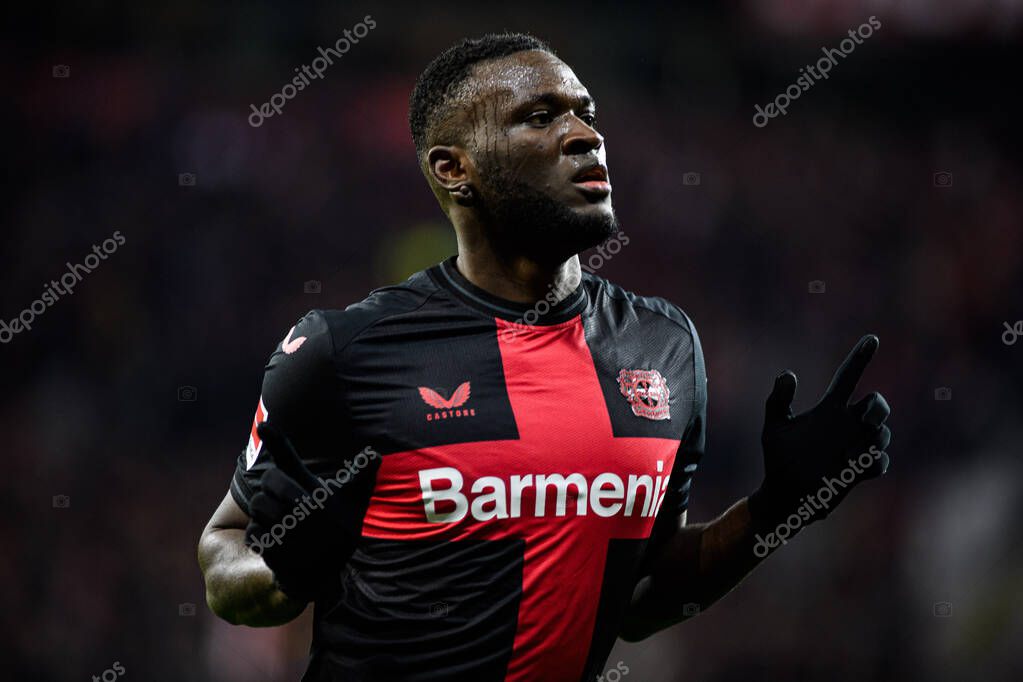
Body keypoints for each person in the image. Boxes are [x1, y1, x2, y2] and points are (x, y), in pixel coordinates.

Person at [198, 32, 892, 682]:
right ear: (453, 168)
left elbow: (644, 598)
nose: (586, 135)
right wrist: (283, 571)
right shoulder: (341, 352)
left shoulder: (663, 346)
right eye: (539, 116)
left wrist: (777, 509)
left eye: (586, 113)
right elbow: (226, 556)